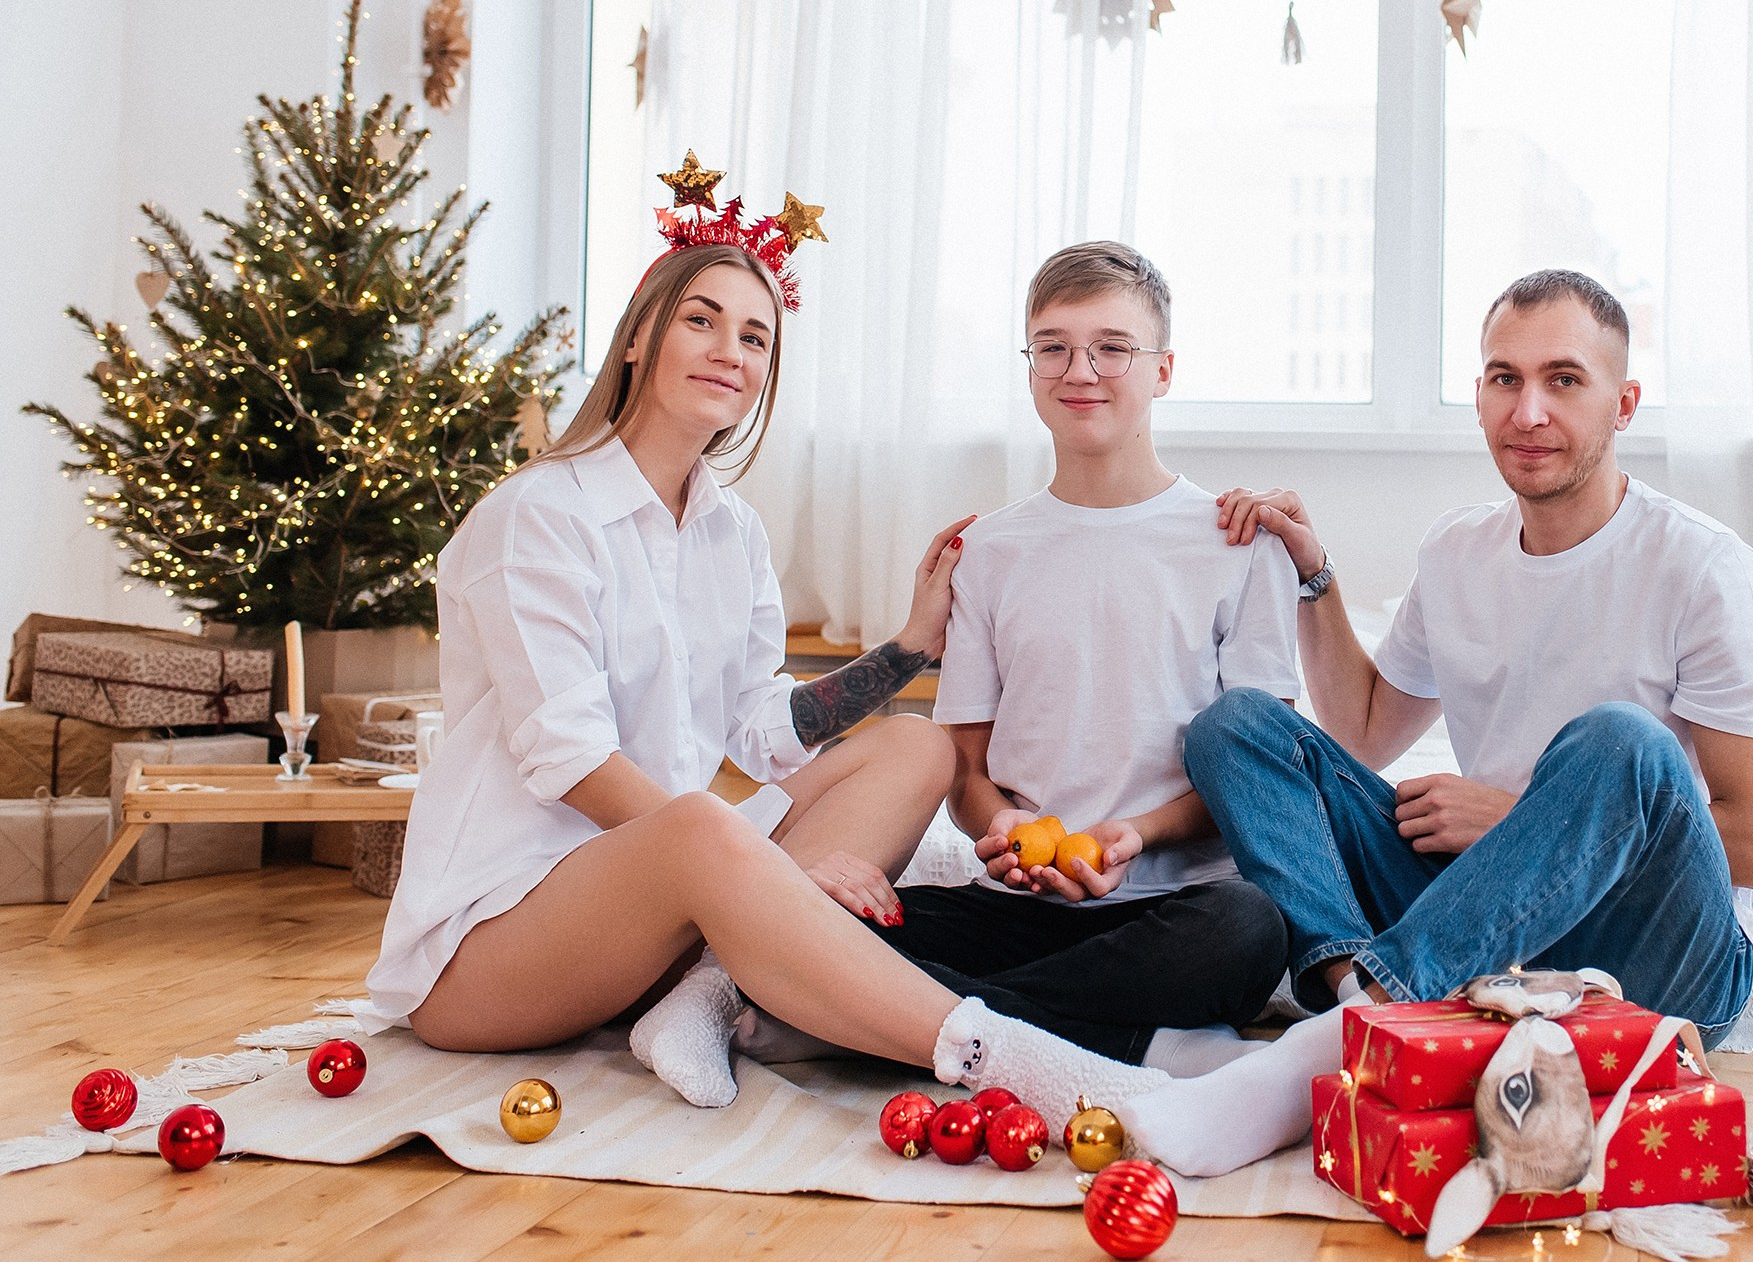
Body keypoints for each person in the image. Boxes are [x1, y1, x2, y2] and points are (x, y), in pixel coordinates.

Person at [356, 181, 1172, 1129]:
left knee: (917, 748)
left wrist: (909, 648)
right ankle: (1008, 1056)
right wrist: (768, 871)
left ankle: (703, 999)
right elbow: (569, 757)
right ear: (636, 339)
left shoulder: (730, 531)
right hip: (490, 953)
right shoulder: (537, 516)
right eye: (701, 320)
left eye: (754, 336)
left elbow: (761, 728)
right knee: (704, 825)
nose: (730, 351)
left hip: (660, 916)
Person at [1107, 268, 1753, 1178]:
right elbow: (1357, 731)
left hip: (1655, 958)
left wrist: (1513, 815)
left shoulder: (1705, 569)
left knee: (1624, 739)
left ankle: (1341, 1036)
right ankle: (1358, 995)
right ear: (1478, 394)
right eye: (1504, 378)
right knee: (1235, 726)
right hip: (1481, 922)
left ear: (1623, 403)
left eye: (1564, 379)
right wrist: (1315, 576)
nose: (1529, 410)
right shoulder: (1458, 549)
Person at [737, 242, 1295, 1078]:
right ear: (1030, 364)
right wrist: (997, 827)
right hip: (1016, 904)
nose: (1082, 370)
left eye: (1113, 347)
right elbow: (965, 773)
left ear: (1164, 369)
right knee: (820, 921)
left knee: (1253, 927)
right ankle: (1120, 1039)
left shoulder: (1236, 540)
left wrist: (1135, 836)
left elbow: (1256, 775)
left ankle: (921, 1023)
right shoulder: (991, 549)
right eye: (1053, 346)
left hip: (1174, 906)